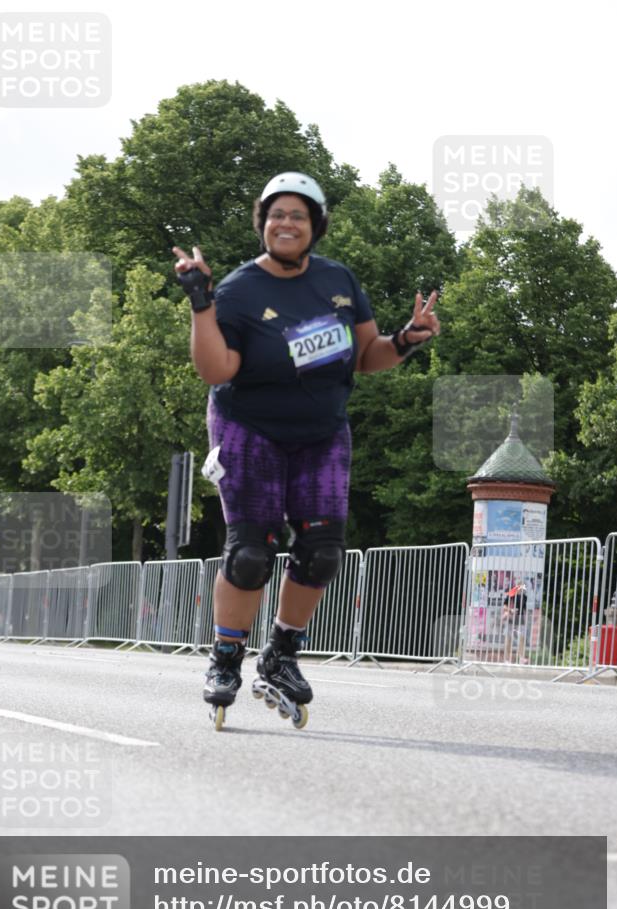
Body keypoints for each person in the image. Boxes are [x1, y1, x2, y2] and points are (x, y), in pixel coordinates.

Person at [173, 171, 440, 729]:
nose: (285, 223)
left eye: (297, 215)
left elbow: (368, 356)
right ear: (263, 224)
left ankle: (281, 654)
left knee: (321, 552)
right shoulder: (241, 290)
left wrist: (407, 340)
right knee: (251, 553)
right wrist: (201, 302)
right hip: (249, 427)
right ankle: (226, 660)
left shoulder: (338, 281)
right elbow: (214, 369)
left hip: (321, 430)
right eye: (275, 215)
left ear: (314, 225)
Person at [502, 582, 528, 663]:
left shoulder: (524, 597)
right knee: (508, 638)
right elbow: (505, 607)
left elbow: (524, 609)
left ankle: (521, 658)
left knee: (522, 638)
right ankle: (506, 659)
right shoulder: (511, 594)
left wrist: (525, 618)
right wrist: (511, 610)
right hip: (511, 618)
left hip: (520, 619)